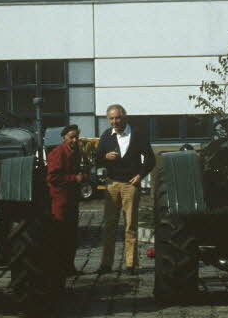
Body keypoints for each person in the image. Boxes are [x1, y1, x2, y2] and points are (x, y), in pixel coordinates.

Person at [93, 104, 155, 273]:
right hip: (112, 184)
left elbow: (150, 159)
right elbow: (97, 159)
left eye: (117, 118)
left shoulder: (137, 135)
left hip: (130, 185)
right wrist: (105, 156)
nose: (115, 122)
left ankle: (131, 264)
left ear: (124, 117)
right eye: (111, 119)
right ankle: (106, 264)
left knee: (130, 225)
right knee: (110, 225)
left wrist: (140, 175)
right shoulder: (106, 136)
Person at [46, 124, 87, 277]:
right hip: (60, 201)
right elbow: (53, 178)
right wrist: (74, 178)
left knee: (71, 236)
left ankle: (69, 267)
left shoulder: (76, 153)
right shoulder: (58, 153)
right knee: (61, 236)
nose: (75, 140)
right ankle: (59, 268)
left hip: (71, 200)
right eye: (72, 137)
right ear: (64, 138)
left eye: (76, 137)